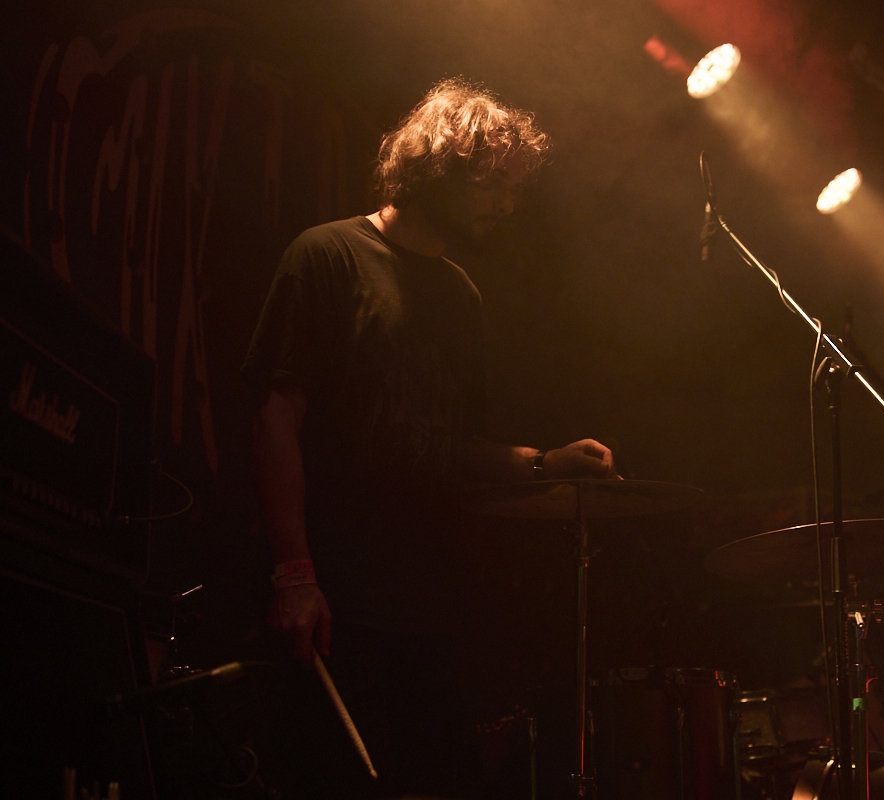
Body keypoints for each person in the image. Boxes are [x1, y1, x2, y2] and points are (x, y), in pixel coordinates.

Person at [243, 78, 617, 799]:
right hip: (336, 599)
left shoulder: (459, 294)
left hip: (430, 606)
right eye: (493, 184)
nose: (507, 205)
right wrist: (295, 575)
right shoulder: (326, 256)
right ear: (439, 168)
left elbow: (449, 447)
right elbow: (273, 418)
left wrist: (545, 462)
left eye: (514, 189)